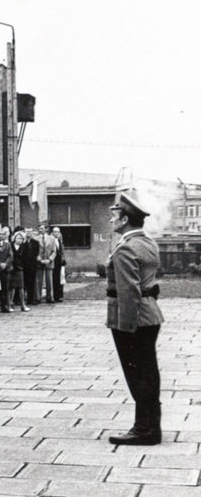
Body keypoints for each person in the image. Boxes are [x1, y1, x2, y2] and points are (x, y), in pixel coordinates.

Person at [106, 191, 164, 446]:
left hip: (132, 319)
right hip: (150, 314)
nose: (111, 221)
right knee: (149, 372)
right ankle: (152, 426)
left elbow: (128, 292)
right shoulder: (148, 243)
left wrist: (126, 327)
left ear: (125, 219)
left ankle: (144, 429)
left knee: (137, 374)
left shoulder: (125, 249)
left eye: (115, 216)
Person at [36, 223, 58, 303]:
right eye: (39, 229)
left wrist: (49, 259)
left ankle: (50, 298)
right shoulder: (35, 238)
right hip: (39, 262)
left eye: (42, 228)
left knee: (49, 280)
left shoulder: (52, 239)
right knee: (39, 281)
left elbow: (54, 251)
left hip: (49, 262)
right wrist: (39, 260)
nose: (40, 230)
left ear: (46, 229)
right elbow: (34, 252)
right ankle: (38, 298)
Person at [9, 230, 31, 312]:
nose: (19, 240)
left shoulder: (24, 247)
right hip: (11, 268)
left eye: (21, 239)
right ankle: (10, 304)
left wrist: (22, 266)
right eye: (18, 238)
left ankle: (23, 305)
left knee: (21, 287)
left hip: (20, 269)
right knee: (11, 287)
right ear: (14, 238)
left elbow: (26, 258)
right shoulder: (10, 245)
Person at [22, 227, 42, 304]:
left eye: (30, 232)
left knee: (32, 282)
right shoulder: (22, 242)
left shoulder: (36, 242)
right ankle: (23, 299)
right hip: (24, 265)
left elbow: (37, 253)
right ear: (24, 232)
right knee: (24, 282)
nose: (28, 233)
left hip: (33, 265)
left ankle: (31, 299)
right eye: (27, 232)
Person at [52, 226, 66, 302]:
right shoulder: (51, 240)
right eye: (55, 232)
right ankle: (55, 296)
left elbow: (62, 251)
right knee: (55, 279)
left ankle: (59, 295)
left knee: (61, 279)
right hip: (54, 262)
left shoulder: (60, 241)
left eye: (57, 232)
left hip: (60, 263)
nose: (56, 233)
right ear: (52, 233)